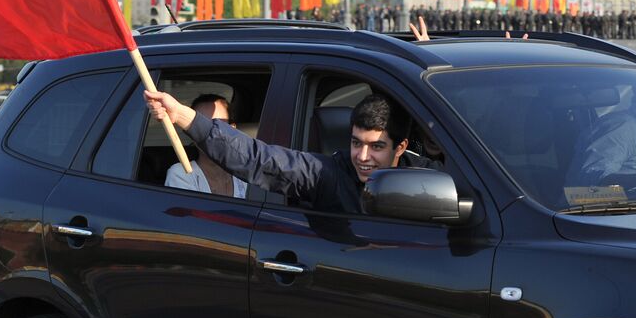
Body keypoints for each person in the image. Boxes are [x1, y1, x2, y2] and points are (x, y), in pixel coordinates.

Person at [144, 89, 438, 214]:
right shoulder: (328, 174)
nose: (362, 156)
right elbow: (258, 158)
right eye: (356, 143)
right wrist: (183, 116)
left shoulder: (428, 177)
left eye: (376, 147)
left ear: (401, 147)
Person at [164, 94, 247, 198]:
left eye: (218, 124)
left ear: (233, 129)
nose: (210, 133)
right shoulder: (181, 174)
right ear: (191, 133)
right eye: (201, 126)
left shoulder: (246, 174)